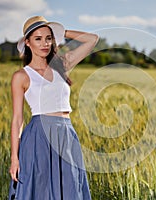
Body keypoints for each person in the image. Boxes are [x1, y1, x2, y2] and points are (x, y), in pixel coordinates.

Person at [8, 16, 99, 199]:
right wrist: (14, 158)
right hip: (38, 136)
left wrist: (61, 32)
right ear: (27, 42)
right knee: (40, 190)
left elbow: (92, 39)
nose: (45, 43)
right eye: (38, 38)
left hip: (66, 134)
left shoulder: (62, 65)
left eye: (48, 38)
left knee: (70, 187)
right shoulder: (21, 76)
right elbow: (18, 119)